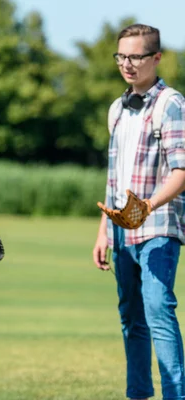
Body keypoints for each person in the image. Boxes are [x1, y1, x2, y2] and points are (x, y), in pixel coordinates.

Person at [93, 24, 185, 400]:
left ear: (156, 58)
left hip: (160, 226)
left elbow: (181, 170)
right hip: (120, 232)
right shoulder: (116, 109)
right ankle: (138, 395)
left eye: (136, 57)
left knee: (157, 309)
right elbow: (114, 180)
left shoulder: (171, 104)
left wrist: (148, 206)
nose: (127, 64)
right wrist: (103, 230)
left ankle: (176, 395)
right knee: (131, 319)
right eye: (121, 56)